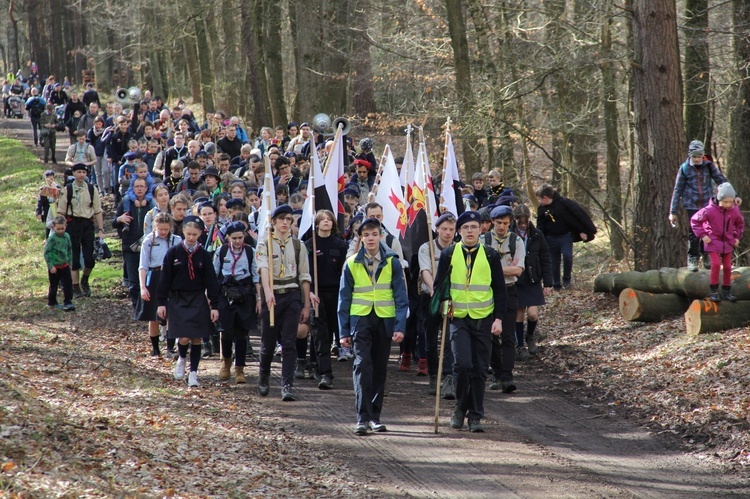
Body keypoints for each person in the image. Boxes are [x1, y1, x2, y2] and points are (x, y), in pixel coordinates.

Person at [433, 211, 507, 433]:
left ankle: (475, 415)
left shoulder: (491, 255)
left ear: (480, 229)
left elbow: (500, 290)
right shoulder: (448, 254)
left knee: (480, 369)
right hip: (458, 319)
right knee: (463, 365)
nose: (470, 231)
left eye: (474, 227)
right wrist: (445, 304)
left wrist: (499, 319)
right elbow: (439, 287)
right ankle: (459, 408)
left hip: (484, 319)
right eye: (465, 228)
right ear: (459, 231)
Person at [338, 217, 408, 435]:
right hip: (361, 320)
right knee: (362, 366)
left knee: (379, 368)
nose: (370, 238)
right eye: (366, 234)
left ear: (380, 236)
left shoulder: (392, 262)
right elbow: (344, 298)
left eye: (374, 234)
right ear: (360, 238)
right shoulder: (351, 263)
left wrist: (400, 326)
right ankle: (362, 417)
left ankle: (375, 417)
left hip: (385, 320)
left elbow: (401, 296)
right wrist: (344, 331)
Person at [255, 205, 312, 401]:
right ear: (273, 222)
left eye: (289, 219)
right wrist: (268, 292)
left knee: (289, 342)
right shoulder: (265, 244)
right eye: (281, 219)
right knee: (268, 342)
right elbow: (263, 269)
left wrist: (306, 304)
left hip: (292, 295)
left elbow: (304, 276)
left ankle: (287, 385)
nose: (285, 222)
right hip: (273, 295)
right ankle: (264, 377)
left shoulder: (298, 245)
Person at [157, 216, 221, 388]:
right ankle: (182, 359)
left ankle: (193, 372)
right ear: (183, 232)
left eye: (195, 234)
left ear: (200, 234)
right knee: (184, 337)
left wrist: (214, 305)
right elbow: (165, 279)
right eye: (188, 234)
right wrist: (161, 302)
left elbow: (211, 281)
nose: (191, 237)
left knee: (197, 337)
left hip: (197, 298)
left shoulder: (204, 255)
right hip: (178, 298)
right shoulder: (173, 253)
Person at [669, 140, 729, 271]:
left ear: (702, 156)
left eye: (699, 156)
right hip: (691, 204)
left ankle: (707, 255)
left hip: (708, 204)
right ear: (690, 156)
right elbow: (677, 189)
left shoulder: (708, 166)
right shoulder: (685, 168)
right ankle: (693, 257)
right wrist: (672, 211)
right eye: (694, 156)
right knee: (694, 232)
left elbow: (721, 180)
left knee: (709, 231)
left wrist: (733, 195)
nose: (696, 159)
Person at [305, 210, 348, 389]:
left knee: (334, 333)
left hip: (337, 294)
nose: (326, 222)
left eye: (329, 219)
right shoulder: (308, 245)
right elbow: (304, 273)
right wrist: (309, 293)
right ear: (316, 223)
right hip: (317, 295)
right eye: (322, 219)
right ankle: (325, 374)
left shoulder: (341, 245)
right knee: (321, 335)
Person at [483, 205, 525, 390]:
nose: (501, 227)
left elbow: (517, 270)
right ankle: (497, 374)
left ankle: (508, 377)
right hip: (487, 292)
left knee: (508, 335)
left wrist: (494, 269)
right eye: (498, 223)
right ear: (492, 222)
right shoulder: (483, 240)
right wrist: (505, 270)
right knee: (490, 334)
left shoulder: (517, 241)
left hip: (509, 290)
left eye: (505, 223)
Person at [213, 221, 258, 384]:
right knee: (226, 330)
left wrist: (258, 298)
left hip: (244, 293)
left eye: (240, 237)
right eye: (234, 238)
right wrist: (212, 299)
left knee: (241, 332)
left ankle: (240, 367)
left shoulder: (250, 251)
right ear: (228, 237)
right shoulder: (221, 251)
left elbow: (255, 276)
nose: (238, 241)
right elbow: (214, 274)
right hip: (226, 293)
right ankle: (225, 362)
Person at [418, 212, 457, 397]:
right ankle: (434, 375)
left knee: (449, 339)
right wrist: (435, 290)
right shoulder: (427, 248)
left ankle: (449, 377)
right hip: (431, 297)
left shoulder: (459, 249)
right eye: (444, 229)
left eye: (451, 229)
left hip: (452, 300)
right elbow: (425, 270)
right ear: (437, 229)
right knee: (431, 340)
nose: (447, 233)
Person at [56, 163, 105, 297]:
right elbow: (61, 211)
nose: (81, 175)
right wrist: (60, 229)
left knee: (89, 258)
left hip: (87, 224)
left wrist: (100, 229)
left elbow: (98, 210)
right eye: (78, 172)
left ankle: (85, 280)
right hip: (72, 224)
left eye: (84, 172)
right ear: (73, 173)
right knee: (74, 258)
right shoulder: (68, 189)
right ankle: (75, 287)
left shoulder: (91, 189)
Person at [535, 184, 597, 290]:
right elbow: (540, 225)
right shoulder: (541, 209)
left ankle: (567, 280)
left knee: (567, 256)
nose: (539, 201)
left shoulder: (564, 203)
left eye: (540, 199)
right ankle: (556, 284)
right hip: (551, 238)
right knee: (554, 262)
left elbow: (577, 216)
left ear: (545, 197)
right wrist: (539, 239)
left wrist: (583, 231)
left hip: (565, 236)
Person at [690, 183, 745, 302]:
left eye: (731, 202)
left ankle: (726, 291)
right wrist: (703, 235)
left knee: (728, 266)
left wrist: (736, 237)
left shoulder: (734, 210)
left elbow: (739, 224)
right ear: (719, 199)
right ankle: (714, 291)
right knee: (715, 264)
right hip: (713, 240)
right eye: (725, 202)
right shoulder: (709, 210)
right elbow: (695, 221)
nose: (728, 205)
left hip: (728, 241)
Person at [137, 212, 181, 356]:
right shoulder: (148, 241)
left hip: (171, 277)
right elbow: (143, 265)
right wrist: (143, 287)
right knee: (153, 315)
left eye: (166, 229)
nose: (163, 232)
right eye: (160, 229)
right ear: (155, 227)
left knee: (170, 314)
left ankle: (170, 348)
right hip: (154, 276)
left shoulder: (177, 240)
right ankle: (155, 349)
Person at [511, 204, 553, 357]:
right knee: (519, 314)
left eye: (525, 221)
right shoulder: (510, 235)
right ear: (514, 220)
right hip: (517, 279)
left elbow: (545, 257)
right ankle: (520, 345)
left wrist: (548, 282)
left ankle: (530, 336)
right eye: (519, 222)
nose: (522, 225)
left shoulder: (537, 234)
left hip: (533, 278)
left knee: (533, 314)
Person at [113, 177, 154, 310]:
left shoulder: (151, 204)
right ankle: (137, 307)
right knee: (134, 282)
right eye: (137, 186)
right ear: (133, 188)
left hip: (148, 247)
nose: (139, 189)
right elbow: (114, 222)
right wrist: (120, 219)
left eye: (142, 186)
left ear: (146, 188)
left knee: (148, 278)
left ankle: (147, 306)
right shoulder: (126, 203)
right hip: (130, 247)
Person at [45, 215, 75, 312]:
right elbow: (46, 252)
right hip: (55, 266)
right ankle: (52, 301)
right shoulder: (52, 238)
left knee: (68, 284)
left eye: (62, 228)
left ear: (66, 226)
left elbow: (70, 249)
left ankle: (68, 301)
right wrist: (51, 266)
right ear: (53, 227)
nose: (61, 231)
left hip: (65, 264)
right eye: (58, 229)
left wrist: (70, 262)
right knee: (54, 284)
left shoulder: (67, 236)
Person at [36, 170, 61, 238]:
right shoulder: (43, 189)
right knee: (48, 226)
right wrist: (39, 212)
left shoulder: (58, 187)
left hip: (56, 208)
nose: (50, 178)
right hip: (47, 209)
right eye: (48, 177)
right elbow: (40, 201)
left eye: (51, 177)